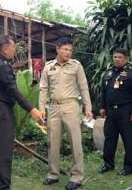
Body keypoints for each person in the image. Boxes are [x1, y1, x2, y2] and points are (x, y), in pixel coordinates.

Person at [0, 34, 44, 190]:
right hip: (2, 111)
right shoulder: (2, 65)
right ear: (5, 49)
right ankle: (2, 187)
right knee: (3, 152)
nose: (14, 49)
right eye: (13, 46)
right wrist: (31, 108)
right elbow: (13, 90)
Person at [39, 37, 93, 190]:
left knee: (75, 142)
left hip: (71, 106)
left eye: (70, 50)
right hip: (54, 107)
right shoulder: (49, 67)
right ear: (57, 49)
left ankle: (77, 177)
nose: (68, 52)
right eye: (65, 49)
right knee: (53, 142)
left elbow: (84, 87)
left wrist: (88, 107)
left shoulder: (76, 66)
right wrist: (41, 108)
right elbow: (43, 89)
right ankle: (53, 174)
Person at [99, 48, 132, 176]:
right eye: (115, 57)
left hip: (126, 111)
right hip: (111, 111)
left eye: (119, 57)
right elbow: (103, 91)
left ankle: (129, 167)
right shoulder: (108, 73)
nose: (116, 59)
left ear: (126, 59)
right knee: (109, 138)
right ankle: (108, 164)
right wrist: (102, 106)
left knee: (128, 139)